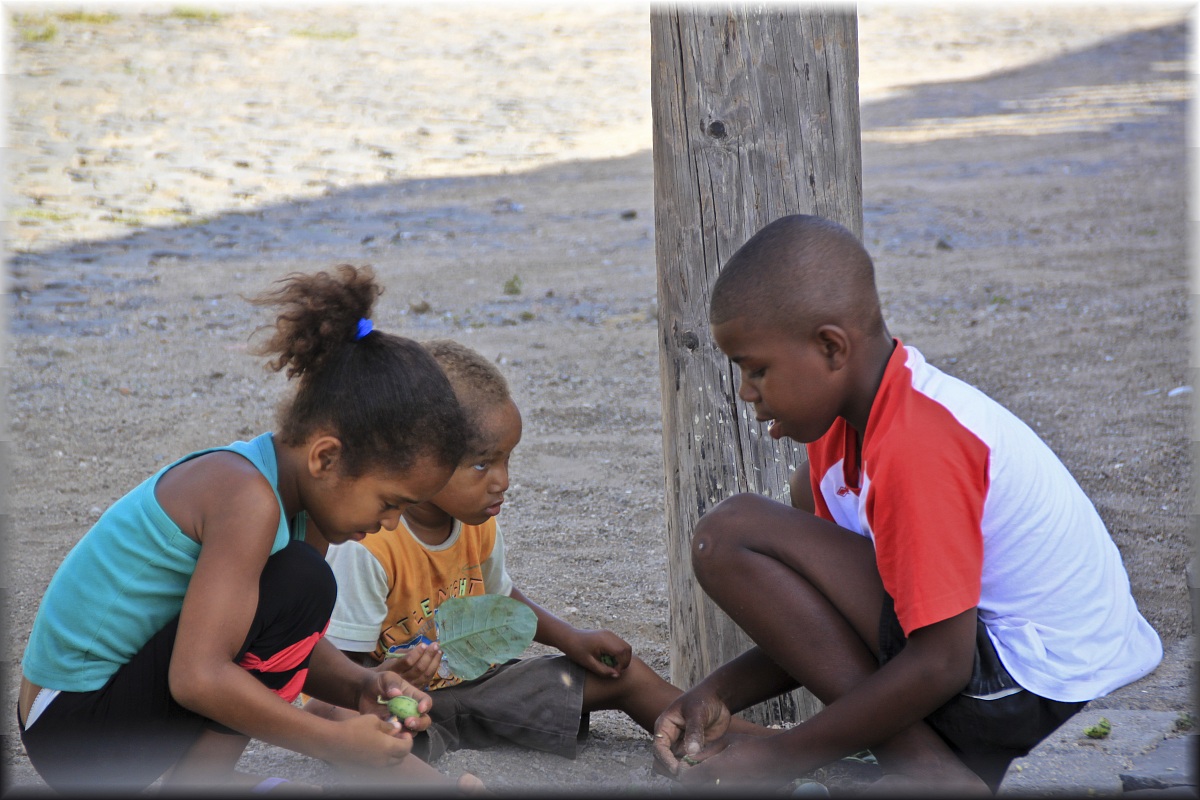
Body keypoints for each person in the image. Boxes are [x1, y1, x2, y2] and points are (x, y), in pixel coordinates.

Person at [651, 214, 1163, 795]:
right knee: (798, 504)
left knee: (729, 536)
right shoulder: (844, 438)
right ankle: (926, 763)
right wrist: (720, 692)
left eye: (757, 368)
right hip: (1007, 675)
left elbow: (941, 663)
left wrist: (783, 757)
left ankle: (931, 774)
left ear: (830, 347)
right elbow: (829, 626)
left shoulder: (918, 443)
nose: (746, 391)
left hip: (1043, 692)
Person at [16, 264, 484, 795]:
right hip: (75, 733)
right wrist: (330, 741)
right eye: (389, 502)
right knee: (304, 582)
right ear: (326, 457)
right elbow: (197, 677)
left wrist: (362, 685)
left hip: (100, 718)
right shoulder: (246, 500)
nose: (390, 524)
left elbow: (280, 641)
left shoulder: (303, 505)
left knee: (300, 587)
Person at [303, 338, 769, 765]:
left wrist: (571, 637)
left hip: (478, 686)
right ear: (422, 463)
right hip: (390, 701)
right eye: (482, 463)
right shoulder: (372, 548)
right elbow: (341, 678)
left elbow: (501, 597)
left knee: (621, 675)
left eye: (508, 459)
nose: (502, 480)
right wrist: (393, 682)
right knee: (357, 728)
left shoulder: (476, 524)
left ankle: (751, 743)